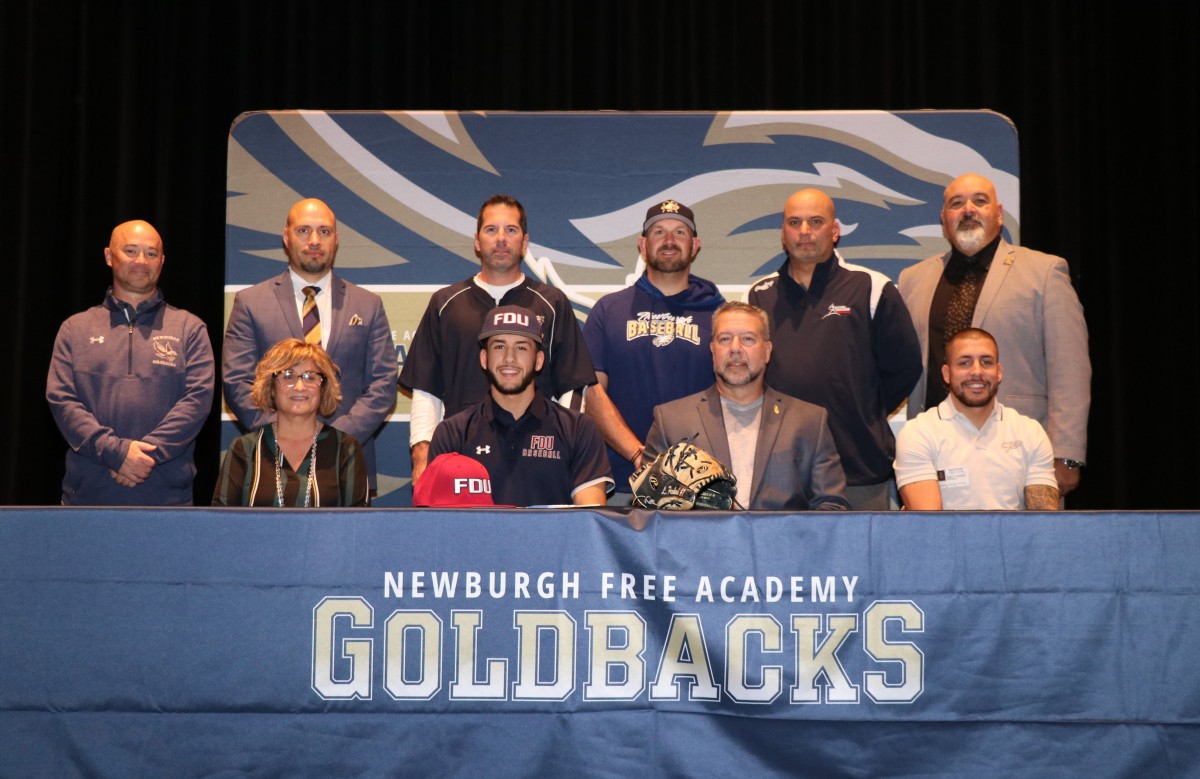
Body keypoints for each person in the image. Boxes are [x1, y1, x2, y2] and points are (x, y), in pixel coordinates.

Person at [898, 173, 1091, 498]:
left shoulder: (1044, 272)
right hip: (934, 458)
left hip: (1021, 458)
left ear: (999, 215)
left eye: (979, 201)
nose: (968, 209)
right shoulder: (913, 279)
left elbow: (1069, 366)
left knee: (1028, 547)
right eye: (956, 204)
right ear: (944, 220)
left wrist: (1066, 454)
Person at [400, 194, 596, 483]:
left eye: (511, 230)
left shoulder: (552, 302)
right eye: (491, 230)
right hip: (460, 454)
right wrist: (422, 453)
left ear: (525, 242)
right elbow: (426, 389)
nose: (501, 238)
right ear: (477, 241)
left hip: (538, 454)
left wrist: (566, 448)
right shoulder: (445, 303)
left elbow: (573, 387)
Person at [748, 189, 922, 510]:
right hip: (781, 473)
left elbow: (906, 366)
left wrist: (862, 408)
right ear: (783, 233)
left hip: (858, 468)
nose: (804, 231)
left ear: (835, 230)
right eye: (794, 222)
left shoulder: (871, 286)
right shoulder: (760, 295)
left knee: (860, 560)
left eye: (816, 221)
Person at [222, 198, 397, 496]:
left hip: (346, 464)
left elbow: (383, 384)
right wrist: (286, 438)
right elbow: (237, 381)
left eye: (324, 232)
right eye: (304, 230)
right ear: (286, 236)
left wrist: (335, 441)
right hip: (270, 462)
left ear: (337, 239)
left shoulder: (368, 305)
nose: (314, 240)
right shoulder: (250, 303)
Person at [47, 220, 214, 506]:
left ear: (162, 262)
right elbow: (63, 402)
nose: (141, 261)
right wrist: (117, 454)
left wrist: (146, 456)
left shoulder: (190, 328)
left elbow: (196, 402)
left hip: (168, 499)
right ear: (109, 257)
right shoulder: (75, 329)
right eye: (131, 251)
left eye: (150, 254)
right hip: (88, 498)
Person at [643, 302, 848, 511]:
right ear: (712, 350)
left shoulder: (810, 421)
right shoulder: (671, 421)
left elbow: (831, 507)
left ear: (767, 351)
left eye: (748, 339)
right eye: (725, 339)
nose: (735, 349)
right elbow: (652, 513)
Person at [583, 199, 724, 503]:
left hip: (702, 484)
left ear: (695, 244)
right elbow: (592, 396)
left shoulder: (720, 314)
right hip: (624, 481)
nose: (669, 240)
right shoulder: (609, 310)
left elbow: (735, 393)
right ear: (642, 244)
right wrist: (641, 456)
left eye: (680, 232)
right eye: (658, 232)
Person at [428, 305, 612, 507]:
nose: (509, 358)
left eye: (521, 347)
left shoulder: (578, 429)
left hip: (554, 540)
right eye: (499, 346)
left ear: (539, 360)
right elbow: (441, 525)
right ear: (484, 358)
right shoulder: (452, 434)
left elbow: (590, 520)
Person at [894, 328, 1059, 510]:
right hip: (949, 538)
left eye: (986, 362)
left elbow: (1044, 520)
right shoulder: (918, 433)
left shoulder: (1030, 432)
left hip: (1013, 539)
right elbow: (930, 525)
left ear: (999, 372)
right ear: (947, 374)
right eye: (965, 363)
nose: (977, 372)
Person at [213, 339, 367, 507]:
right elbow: (222, 524)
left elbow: (358, 526)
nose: (300, 386)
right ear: (271, 388)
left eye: (310, 377)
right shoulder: (245, 449)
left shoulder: (346, 449)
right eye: (288, 376)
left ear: (323, 388)